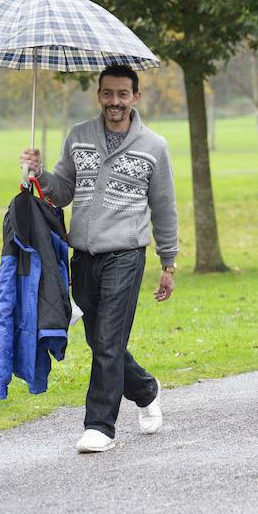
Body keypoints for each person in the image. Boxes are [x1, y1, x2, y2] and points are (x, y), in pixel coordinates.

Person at [19, 64, 178, 453]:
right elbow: (61, 192)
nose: (115, 102)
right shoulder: (78, 137)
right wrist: (38, 174)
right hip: (83, 256)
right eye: (108, 93)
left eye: (123, 94)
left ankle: (100, 426)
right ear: (99, 95)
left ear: (135, 97)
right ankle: (145, 388)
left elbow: (164, 207)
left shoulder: (153, 146)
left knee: (108, 339)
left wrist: (168, 262)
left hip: (126, 254)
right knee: (98, 338)